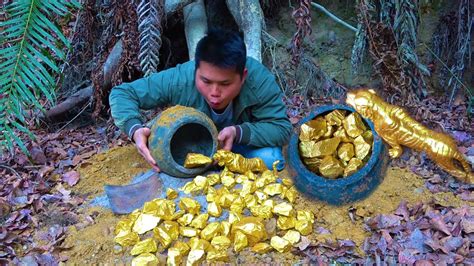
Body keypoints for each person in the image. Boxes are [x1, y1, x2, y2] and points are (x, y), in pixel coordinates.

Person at [109, 28, 291, 172]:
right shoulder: (180, 78)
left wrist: (238, 132)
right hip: (190, 141)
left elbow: (282, 129)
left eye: (225, 84)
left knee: (271, 159)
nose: (214, 92)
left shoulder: (259, 80)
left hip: (235, 146)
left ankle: (216, 164)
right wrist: (134, 129)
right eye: (206, 81)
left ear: (242, 77)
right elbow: (122, 93)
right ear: (196, 71)